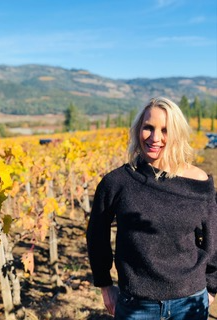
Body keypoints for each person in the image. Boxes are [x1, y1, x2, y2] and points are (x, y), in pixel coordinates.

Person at [86, 97, 217, 319]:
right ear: (138, 129)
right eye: (148, 127)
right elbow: (96, 234)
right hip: (136, 305)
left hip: (189, 301)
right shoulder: (118, 182)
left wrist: (212, 287)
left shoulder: (199, 182)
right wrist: (105, 285)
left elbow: (214, 237)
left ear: (177, 134)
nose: (155, 138)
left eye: (165, 130)